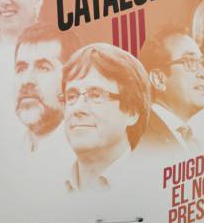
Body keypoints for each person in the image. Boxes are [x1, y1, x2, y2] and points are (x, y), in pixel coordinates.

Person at [61, 43, 151, 192]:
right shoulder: (46, 187)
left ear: (132, 112)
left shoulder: (151, 186)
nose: (78, 108)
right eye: (71, 96)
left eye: (95, 95)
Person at [137, 27, 204, 154]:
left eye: (201, 62)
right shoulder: (142, 141)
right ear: (158, 79)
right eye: (190, 61)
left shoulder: (193, 143)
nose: (203, 73)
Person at [13, 23, 80, 153]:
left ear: (71, 79)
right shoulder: (7, 154)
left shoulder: (85, 158)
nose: (26, 80)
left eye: (43, 68)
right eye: (21, 69)